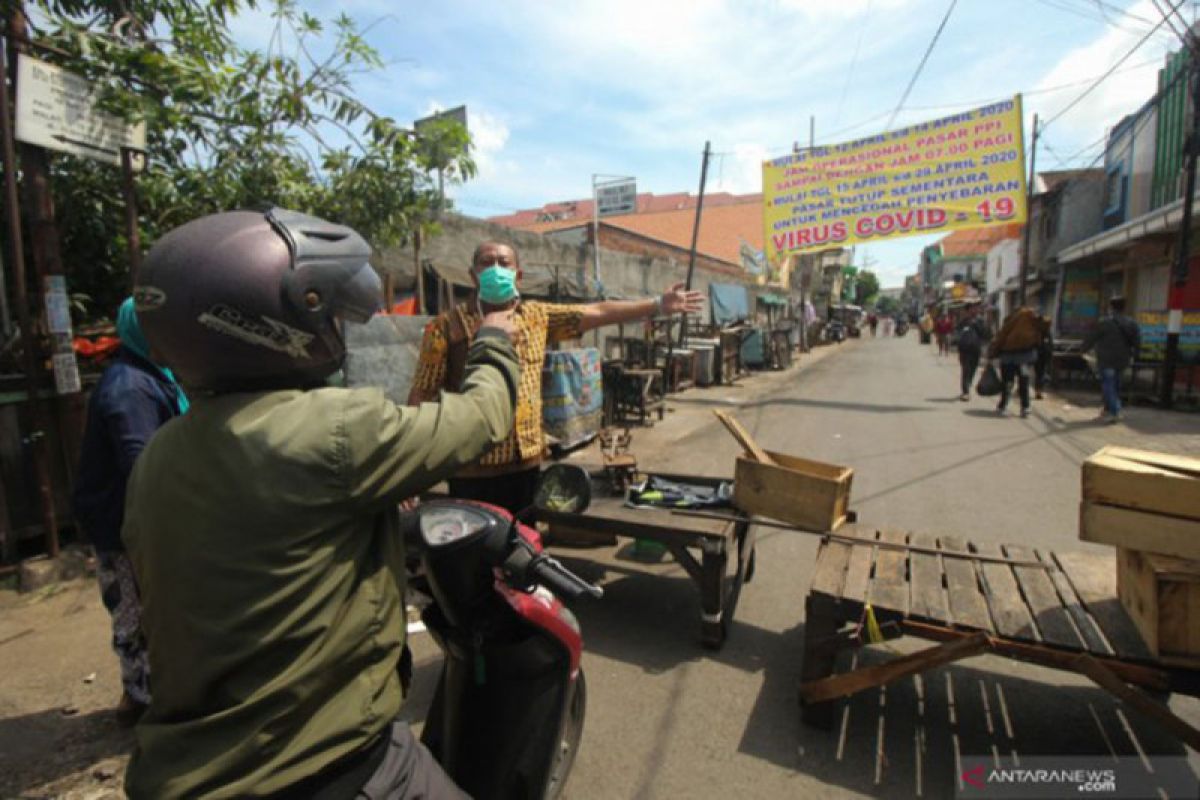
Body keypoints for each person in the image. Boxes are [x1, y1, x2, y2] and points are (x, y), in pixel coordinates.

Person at [121, 208, 520, 798]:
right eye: (323, 311)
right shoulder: (334, 427)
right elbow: (481, 418)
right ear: (273, 319)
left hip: (184, 769)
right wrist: (495, 337)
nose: (336, 325)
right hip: (327, 763)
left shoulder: (161, 453)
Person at [407, 240, 702, 511]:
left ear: (518, 275)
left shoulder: (537, 317)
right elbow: (420, 399)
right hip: (470, 470)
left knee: (520, 551)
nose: (496, 269)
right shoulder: (446, 328)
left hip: (527, 468)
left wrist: (657, 305)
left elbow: (597, 310)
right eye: (487, 262)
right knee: (474, 557)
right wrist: (408, 475)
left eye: (504, 263)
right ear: (473, 275)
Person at [72, 297, 189, 727]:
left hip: (138, 519)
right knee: (135, 614)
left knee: (152, 608)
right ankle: (143, 704)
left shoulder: (156, 374)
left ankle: (151, 696)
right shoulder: (130, 387)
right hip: (123, 524)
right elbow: (142, 463)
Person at [1081, 296, 1140, 423]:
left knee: (1108, 385)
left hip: (1106, 359)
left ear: (1111, 307)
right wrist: (1136, 356)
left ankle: (1115, 411)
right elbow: (1137, 342)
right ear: (1124, 307)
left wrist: (1082, 349)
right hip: (1123, 359)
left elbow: (1091, 338)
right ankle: (1108, 409)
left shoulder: (1104, 322)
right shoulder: (1132, 323)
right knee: (1116, 385)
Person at [986, 305, 1046, 418]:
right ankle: (1025, 407)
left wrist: (993, 352)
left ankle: (1003, 406)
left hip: (1008, 358)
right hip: (1025, 358)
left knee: (1007, 383)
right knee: (1024, 383)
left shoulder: (1011, 320)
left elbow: (1001, 336)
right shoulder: (1032, 319)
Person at [954, 303, 988, 401]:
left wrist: (976, 324)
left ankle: (968, 385)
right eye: (972, 309)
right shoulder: (963, 321)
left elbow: (985, 334)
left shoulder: (980, 321)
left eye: (975, 309)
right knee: (966, 370)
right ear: (967, 311)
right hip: (964, 350)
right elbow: (957, 332)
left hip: (975, 349)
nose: (974, 310)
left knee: (972, 369)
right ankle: (965, 392)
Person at [1034, 314, 1054, 400]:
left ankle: (1038, 391)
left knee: (1038, 374)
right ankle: (1039, 391)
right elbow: (1049, 346)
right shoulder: (1046, 332)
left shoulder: (1036, 331)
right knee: (1040, 374)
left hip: (1036, 355)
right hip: (1042, 355)